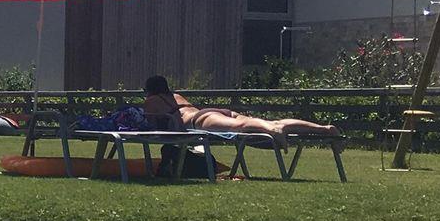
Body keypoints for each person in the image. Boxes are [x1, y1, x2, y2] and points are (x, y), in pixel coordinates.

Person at [141, 76, 336, 145]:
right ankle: (324, 129)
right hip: (212, 112)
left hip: (198, 121)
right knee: (260, 121)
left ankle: (272, 130)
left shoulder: (152, 100)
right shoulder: (175, 95)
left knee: (242, 126)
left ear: (149, 89)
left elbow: (147, 123)